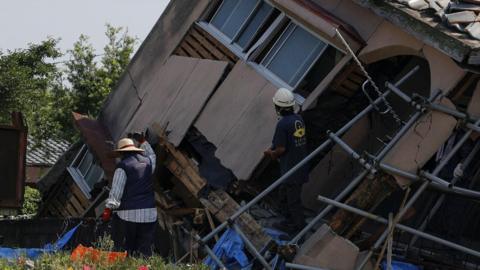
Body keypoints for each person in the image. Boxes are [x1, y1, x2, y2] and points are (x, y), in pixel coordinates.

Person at [102, 133, 157, 257]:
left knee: (126, 250)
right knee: (144, 251)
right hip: (150, 213)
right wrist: (143, 141)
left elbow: (116, 193)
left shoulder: (123, 167)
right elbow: (153, 155)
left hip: (128, 215)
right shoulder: (148, 163)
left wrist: (107, 210)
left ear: (121, 153)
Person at [264, 88, 309, 233]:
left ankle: (299, 228)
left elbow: (281, 149)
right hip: (300, 166)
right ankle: (288, 220)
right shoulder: (298, 119)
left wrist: (271, 153)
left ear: (278, 107)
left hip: (292, 169)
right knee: (283, 194)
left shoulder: (282, 124)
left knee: (293, 201)